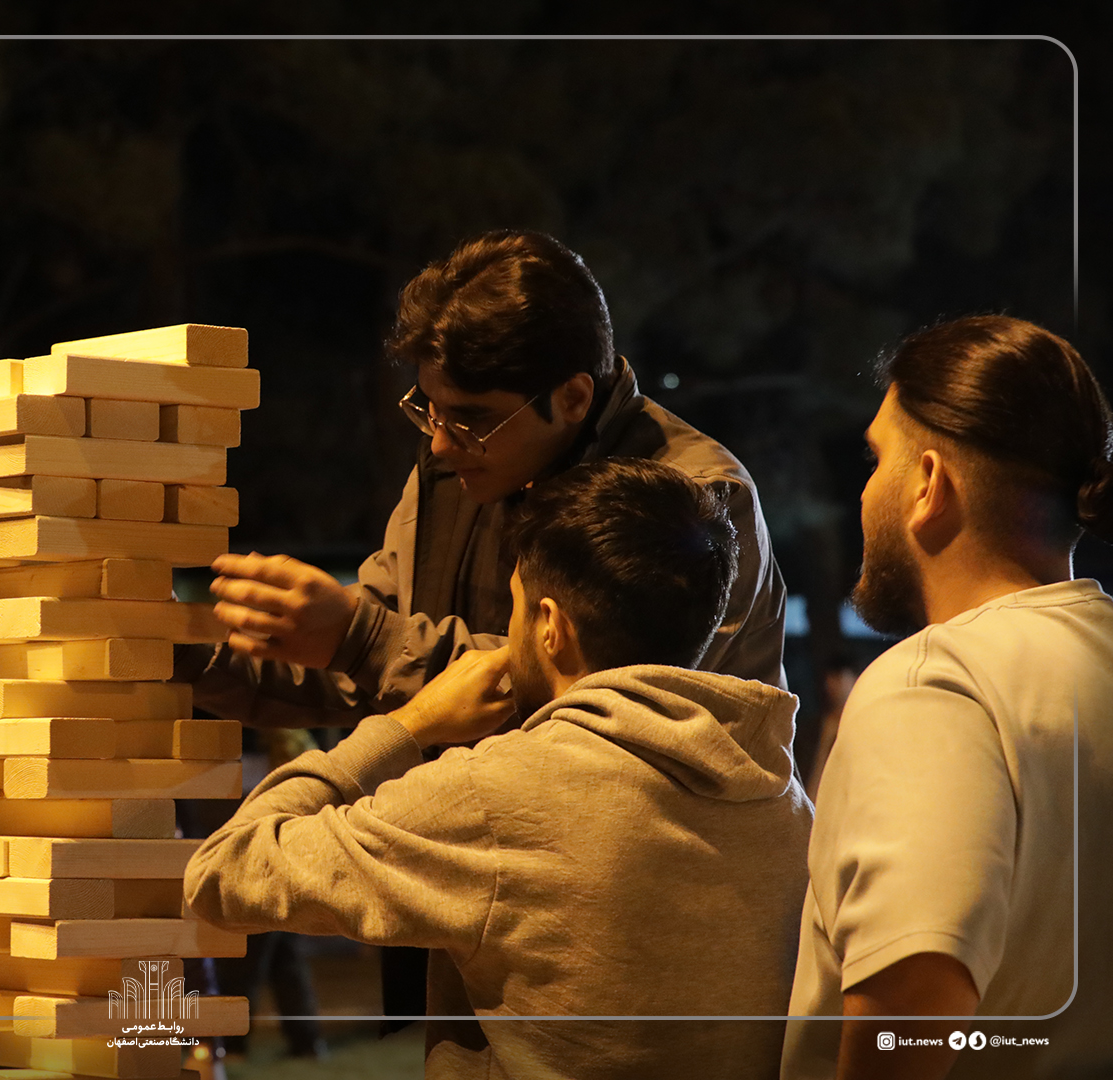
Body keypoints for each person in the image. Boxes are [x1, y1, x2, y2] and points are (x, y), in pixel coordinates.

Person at [183, 228, 791, 1027]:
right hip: (482, 890)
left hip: (645, 919)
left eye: (471, 419)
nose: (440, 442)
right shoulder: (457, 467)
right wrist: (181, 653)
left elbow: (614, 705)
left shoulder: (691, 500)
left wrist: (362, 640)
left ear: (573, 397)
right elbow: (369, 670)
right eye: (427, 410)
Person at [185, 457, 813, 1079]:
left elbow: (224, 871)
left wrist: (409, 725)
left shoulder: (496, 796)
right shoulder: (783, 798)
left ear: (550, 626)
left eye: (515, 608)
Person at [781, 316, 1113, 1080]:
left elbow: (908, 1022)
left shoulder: (932, 687)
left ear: (929, 484)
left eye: (876, 459)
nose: (865, 490)